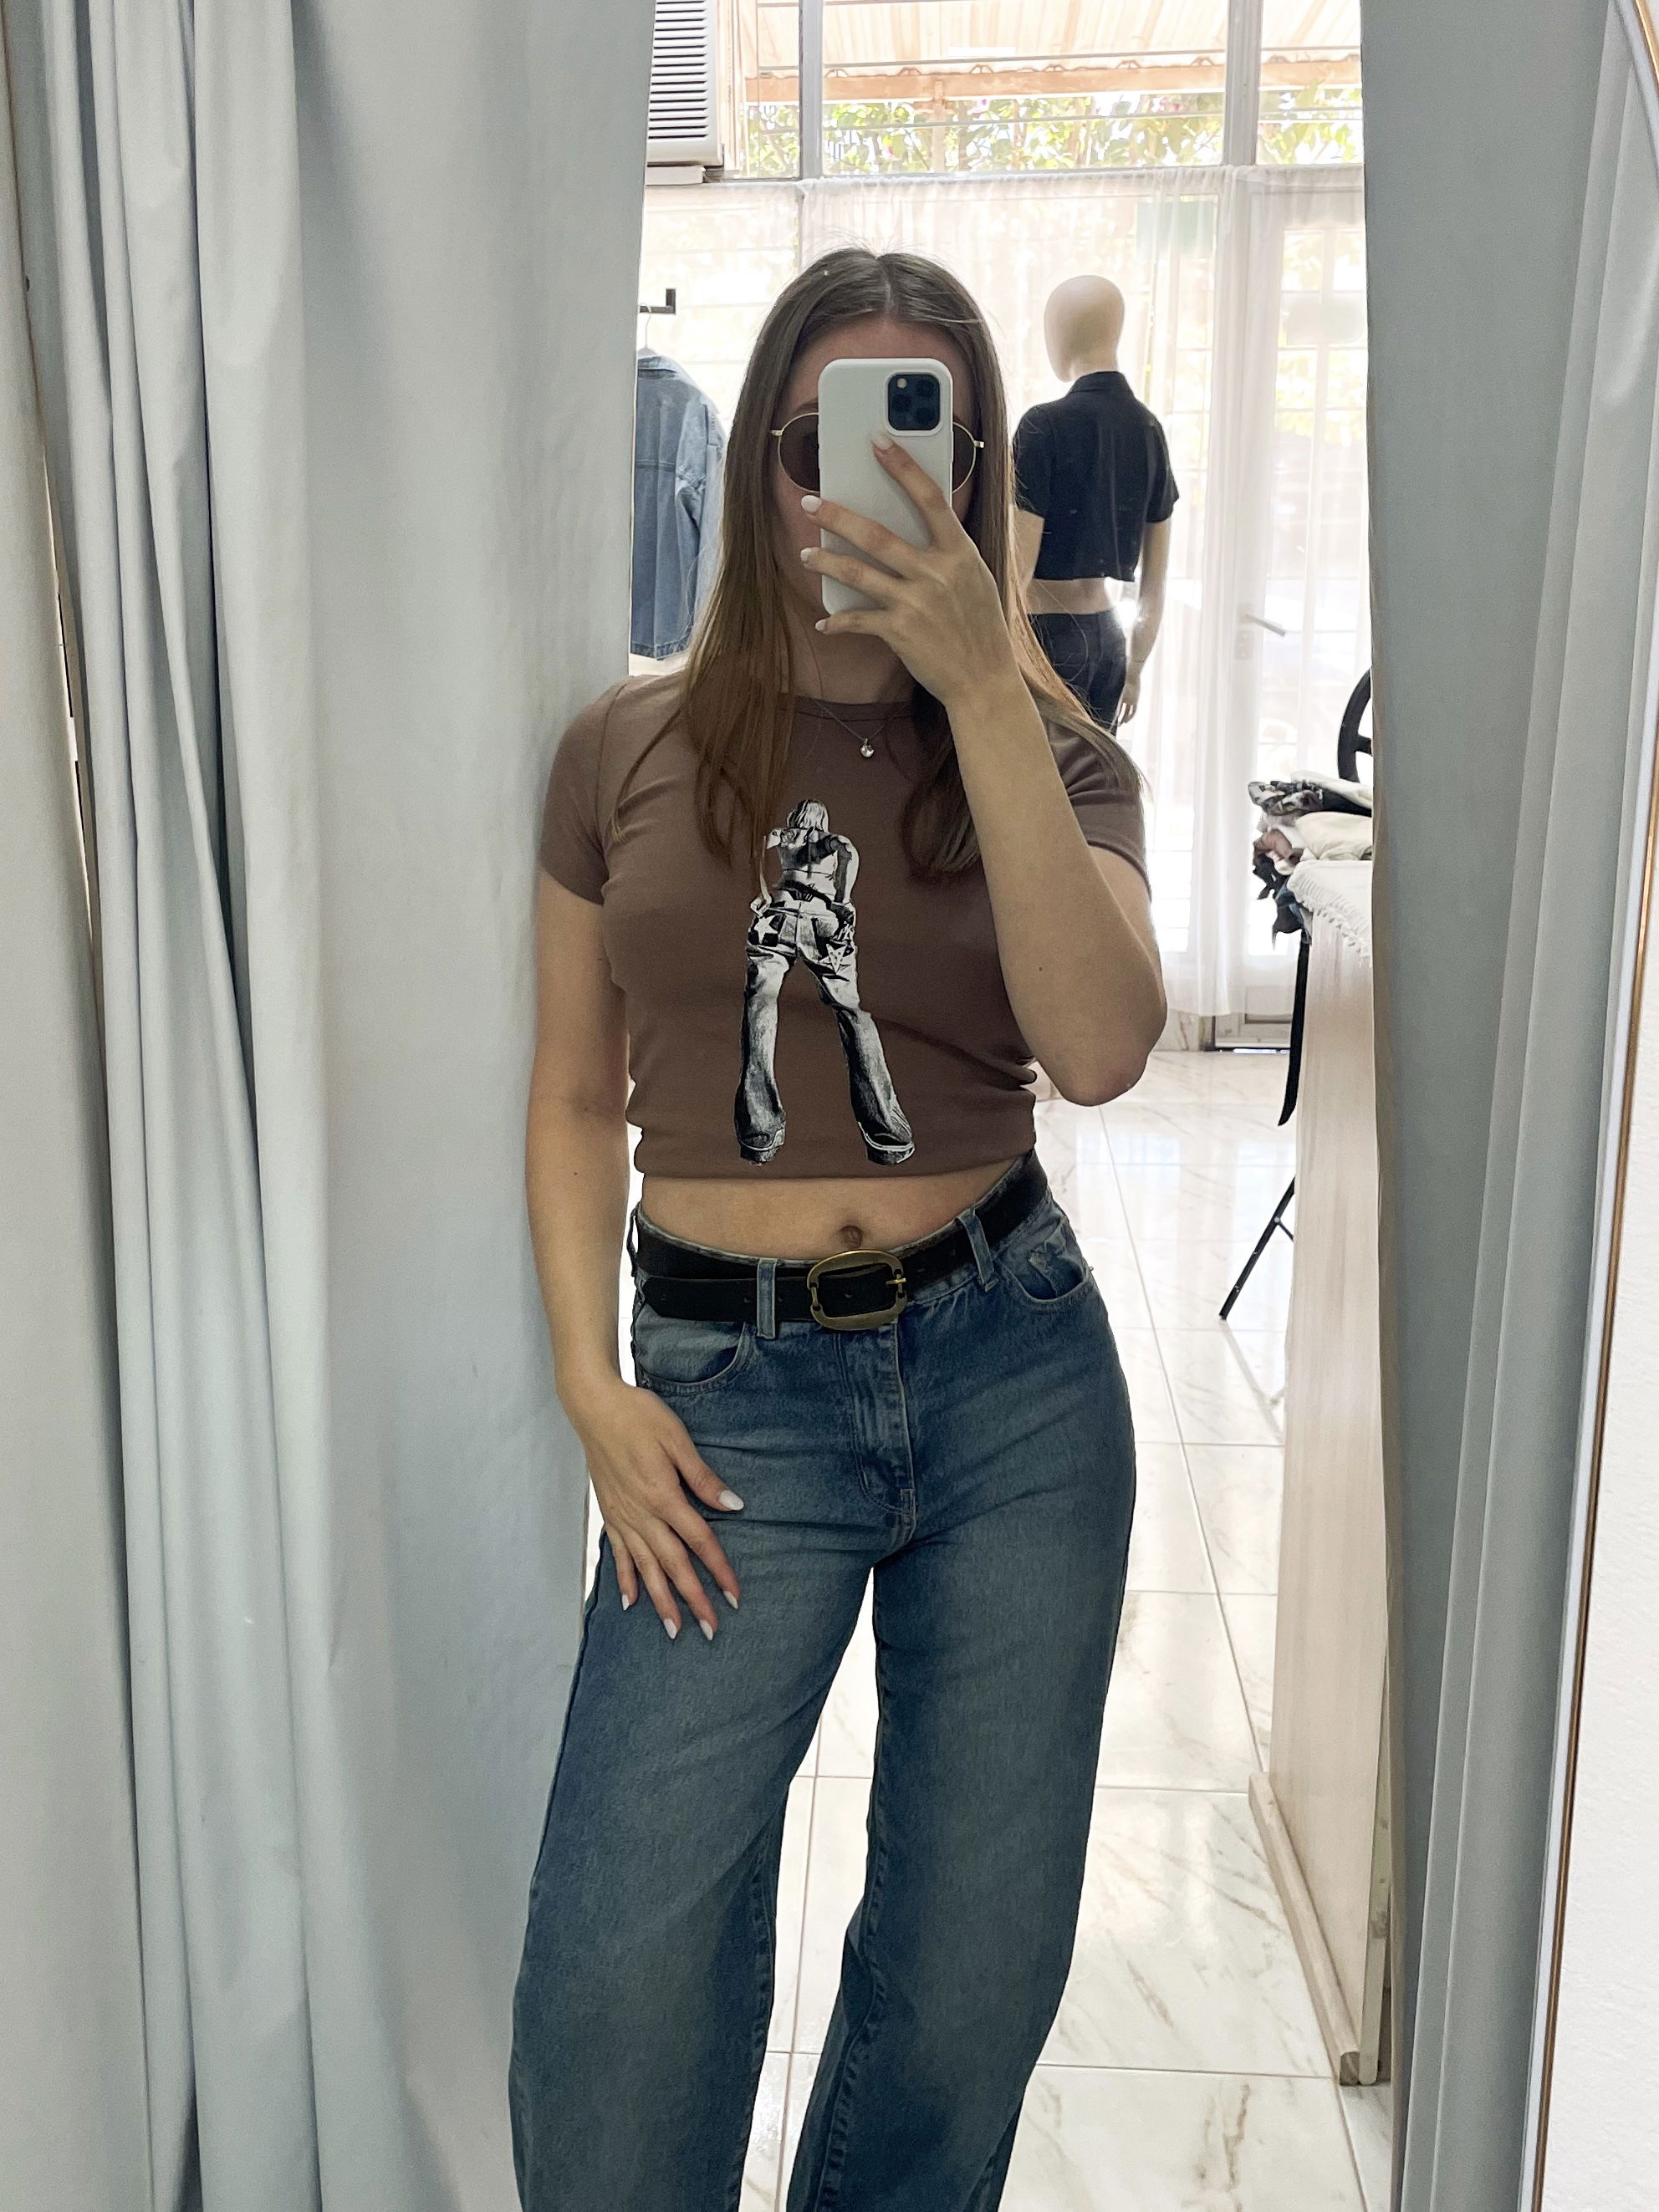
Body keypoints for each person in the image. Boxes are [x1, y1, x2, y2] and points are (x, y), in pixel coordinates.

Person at [509, 247, 1166, 2212]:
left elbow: (1102, 1047)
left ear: (970, 469)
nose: (857, 483)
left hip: (1012, 1381)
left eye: (915, 437)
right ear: (761, 460)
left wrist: (984, 685)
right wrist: (588, 1385)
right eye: (817, 441)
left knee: (966, 1981)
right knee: (613, 1986)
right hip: (726, 1400)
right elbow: (570, 1096)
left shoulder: (1053, 757)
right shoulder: (621, 750)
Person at [1013, 274, 1177, 731]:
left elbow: (1019, 568)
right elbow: (1156, 579)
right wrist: (1136, 667)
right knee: (1095, 773)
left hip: (1044, 638)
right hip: (1109, 642)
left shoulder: (1042, 425)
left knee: (1034, 772)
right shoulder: (1149, 430)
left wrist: (996, 652)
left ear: (1059, 335)